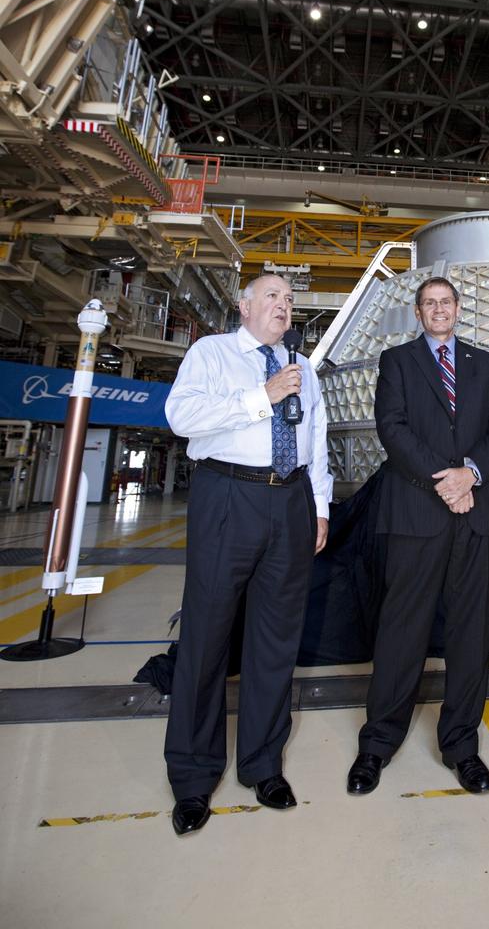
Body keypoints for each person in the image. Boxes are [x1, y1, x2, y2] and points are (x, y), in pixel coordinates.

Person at [163, 273, 332, 835]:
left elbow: (317, 440)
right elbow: (182, 418)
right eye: (272, 296)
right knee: (207, 636)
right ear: (245, 306)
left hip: (291, 500)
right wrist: (263, 397)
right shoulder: (212, 354)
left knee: (276, 640)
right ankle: (193, 777)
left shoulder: (303, 368)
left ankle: (263, 765)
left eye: (290, 299)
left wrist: (320, 508)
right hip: (227, 495)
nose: (284, 305)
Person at [347, 276, 489, 796]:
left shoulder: (486, 364)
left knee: (470, 634)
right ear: (418, 313)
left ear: (458, 309)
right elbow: (392, 429)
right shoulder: (396, 362)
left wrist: (471, 474)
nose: (438, 310)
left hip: (478, 512)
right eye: (429, 303)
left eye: (446, 302)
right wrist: (446, 482)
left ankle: (462, 746)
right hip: (417, 511)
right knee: (402, 630)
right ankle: (377, 744)